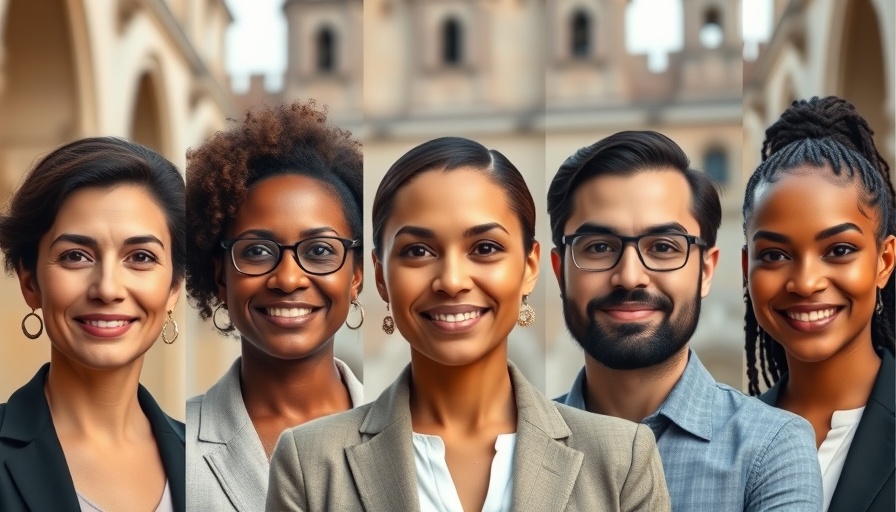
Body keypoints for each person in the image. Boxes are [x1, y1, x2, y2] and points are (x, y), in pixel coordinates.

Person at [266, 136, 671, 511]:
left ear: (529, 267)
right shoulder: (311, 463)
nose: (453, 281)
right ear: (380, 275)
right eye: (419, 250)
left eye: (485, 248)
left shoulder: (621, 460)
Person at [549, 130, 823, 511]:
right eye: (598, 247)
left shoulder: (772, 447)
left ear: (706, 271)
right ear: (560, 270)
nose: (630, 276)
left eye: (663, 247)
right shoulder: (513, 444)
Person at [185, 102, 364, 511]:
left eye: (319, 250)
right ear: (220, 277)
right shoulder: (171, 444)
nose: (287, 279)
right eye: (258, 251)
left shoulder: (412, 434)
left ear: (355, 276)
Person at [0, 137, 185, 511]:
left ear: (174, 288)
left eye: (141, 257)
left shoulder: (209, 461)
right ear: (30, 282)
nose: (108, 288)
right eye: (76, 256)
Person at [743, 96, 895, 512]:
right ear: (747, 267)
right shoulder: (722, 438)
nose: (806, 282)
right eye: (774, 255)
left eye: (839, 249)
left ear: (884, 261)